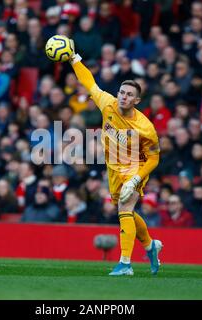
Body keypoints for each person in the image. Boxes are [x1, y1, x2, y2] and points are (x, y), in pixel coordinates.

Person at [64, 40, 163, 276]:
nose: (124, 97)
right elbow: (89, 83)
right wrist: (74, 59)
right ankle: (150, 246)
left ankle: (125, 263)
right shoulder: (107, 104)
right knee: (127, 211)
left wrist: (137, 179)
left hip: (134, 166)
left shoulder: (145, 128)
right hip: (113, 167)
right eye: (122, 92)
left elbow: (154, 158)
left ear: (137, 101)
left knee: (124, 210)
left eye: (129, 95)